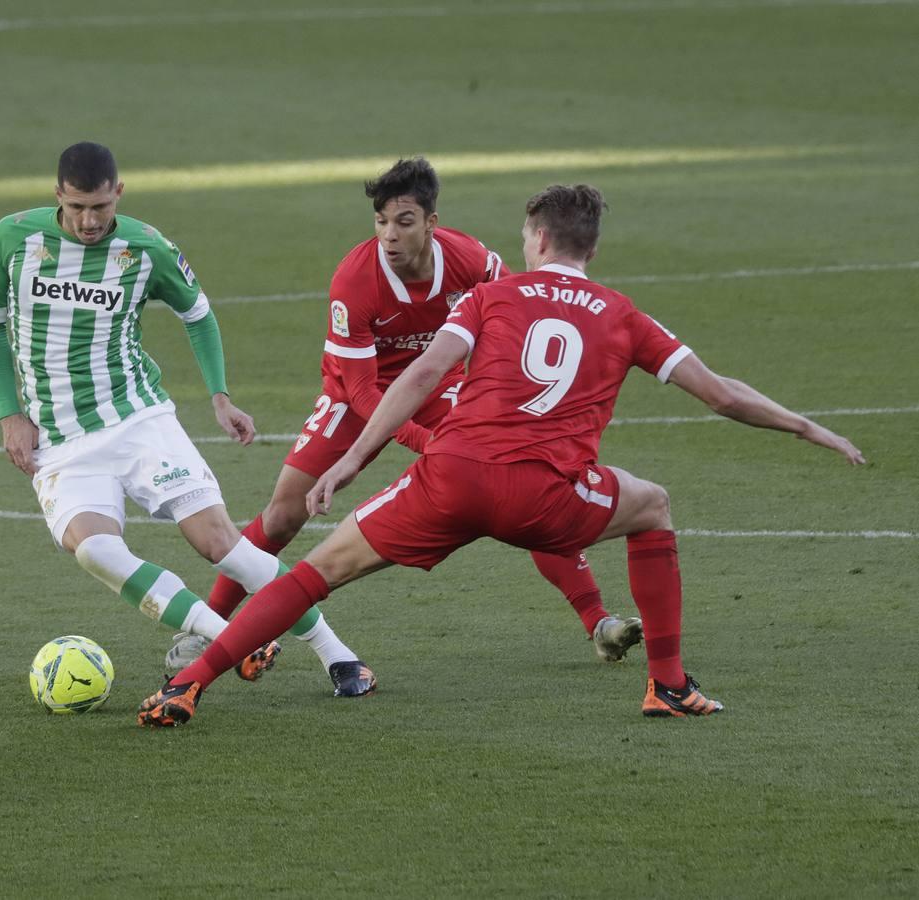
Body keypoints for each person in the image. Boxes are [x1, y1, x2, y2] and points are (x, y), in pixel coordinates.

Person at [139, 183, 866, 727]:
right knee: (652, 505)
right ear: (588, 247)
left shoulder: (493, 296)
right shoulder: (623, 314)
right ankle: (667, 684)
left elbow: (421, 374)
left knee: (317, 571)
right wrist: (805, 427)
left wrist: (353, 459)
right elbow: (719, 394)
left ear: (539, 239)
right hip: (550, 500)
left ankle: (190, 683)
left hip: (448, 480)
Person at [205, 158, 642, 669]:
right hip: (356, 395)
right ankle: (209, 629)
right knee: (284, 515)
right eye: (381, 222)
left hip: (437, 385)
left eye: (404, 221)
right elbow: (366, 393)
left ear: (431, 223)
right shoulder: (355, 280)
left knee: (523, 478)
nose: (390, 235)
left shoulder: (473, 260)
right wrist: (429, 443)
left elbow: (515, 320)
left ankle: (598, 621)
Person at [0, 141, 372, 694]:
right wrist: (8, 412)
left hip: (138, 420)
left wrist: (220, 395)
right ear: (58, 195)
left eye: (102, 208)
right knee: (95, 550)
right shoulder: (14, 237)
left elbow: (198, 315)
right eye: (78, 207)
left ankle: (338, 655)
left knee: (220, 543)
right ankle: (227, 634)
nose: (90, 221)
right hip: (61, 441)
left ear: (120, 195)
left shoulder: (146, 248)